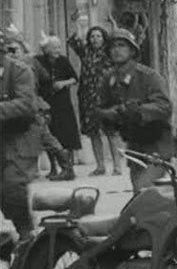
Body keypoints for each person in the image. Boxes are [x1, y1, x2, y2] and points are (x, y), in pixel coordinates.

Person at [96, 29, 173, 193]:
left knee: (145, 189)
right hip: (134, 144)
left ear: (132, 50)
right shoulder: (109, 79)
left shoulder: (148, 76)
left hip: (157, 143)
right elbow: (103, 108)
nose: (116, 50)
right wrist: (108, 115)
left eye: (121, 45)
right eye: (112, 46)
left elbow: (164, 106)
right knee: (140, 194)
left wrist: (137, 110)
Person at [5, 36, 73, 181]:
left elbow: (45, 78)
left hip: (32, 107)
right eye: (9, 50)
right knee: (43, 138)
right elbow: (46, 77)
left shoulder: (24, 64)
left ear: (23, 50)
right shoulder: (17, 64)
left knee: (45, 137)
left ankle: (67, 167)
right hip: (28, 105)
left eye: (15, 49)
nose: (12, 53)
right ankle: (61, 168)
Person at [0, 30, 41, 244]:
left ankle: (27, 235)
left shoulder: (19, 71)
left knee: (13, 188)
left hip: (20, 138)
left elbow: (26, 104)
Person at [68, 25, 122, 176]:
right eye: (92, 36)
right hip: (88, 98)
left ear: (104, 38)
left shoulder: (110, 51)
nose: (95, 39)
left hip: (106, 97)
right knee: (93, 132)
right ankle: (100, 166)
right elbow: (73, 41)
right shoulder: (85, 51)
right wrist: (77, 24)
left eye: (98, 36)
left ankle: (117, 166)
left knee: (111, 132)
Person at [35, 36, 81, 179]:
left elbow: (74, 78)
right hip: (47, 101)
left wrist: (63, 83)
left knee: (67, 133)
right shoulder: (39, 61)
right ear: (46, 49)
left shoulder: (63, 60)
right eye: (54, 47)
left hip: (63, 102)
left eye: (59, 47)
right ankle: (53, 168)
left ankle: (68, 168)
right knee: (51, 133)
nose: (58, 50)